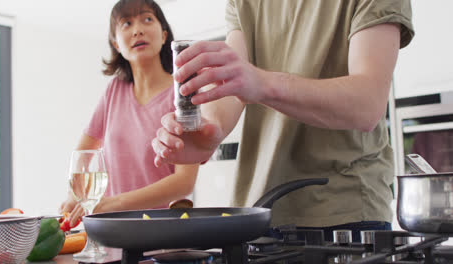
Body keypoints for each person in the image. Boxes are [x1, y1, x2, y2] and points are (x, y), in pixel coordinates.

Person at [151, 0, 414, 242]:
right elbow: (233, 86)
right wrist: (209, 131)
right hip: (258, 216)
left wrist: (261, 83)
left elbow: (367, 104)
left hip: (345, 219)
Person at [60, 0, 199, 227]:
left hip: (165, 236)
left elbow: (184, 182)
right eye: (126, 23)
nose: (138, 30)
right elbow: (84, 153)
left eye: (147, 19)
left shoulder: (183, 93)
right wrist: (73, 196)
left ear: (164, 36)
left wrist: (109, 205)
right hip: (114, 233)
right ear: (116, 44)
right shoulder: (113, 91)